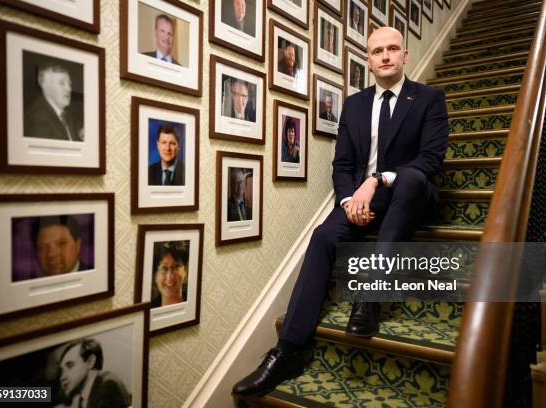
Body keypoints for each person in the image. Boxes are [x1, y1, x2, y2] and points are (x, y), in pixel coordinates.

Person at [232, 26, 448, 397]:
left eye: (392, 49)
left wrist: (377, 180)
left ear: (405, 55)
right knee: (322, 236)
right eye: (377, 50)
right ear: (368, 59)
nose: (384, 56)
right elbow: (342, 165)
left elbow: (431, 160)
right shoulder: (356, 104)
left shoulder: (428, 98)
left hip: (409, 196)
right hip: (363, 200)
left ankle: (370, 293)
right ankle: (288, 350)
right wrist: (349, 202)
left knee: (411, 178)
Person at [57, 338, 131, 408]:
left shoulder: (108, 386)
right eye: (62, 371)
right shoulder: (84, 397)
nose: (62, 377)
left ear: (90, 362)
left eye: (70, 366)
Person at [24, 62, 82, 141]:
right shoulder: (37, 118)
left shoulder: (68, 115)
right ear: (46, 86)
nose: (69, 89)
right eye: (62, 83)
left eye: (70, 84)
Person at [151, 243, 188, 308]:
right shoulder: (147, 310)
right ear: (155, 276)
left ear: (185, 271)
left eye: (176, 267)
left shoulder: (194, 303)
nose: (170, 277)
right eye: (164, 268)